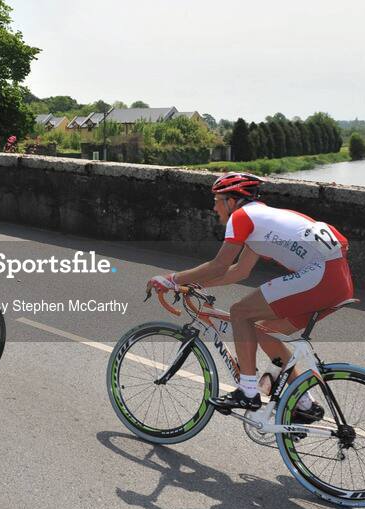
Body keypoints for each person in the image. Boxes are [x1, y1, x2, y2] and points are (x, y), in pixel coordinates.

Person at [147, 172, 353, 423]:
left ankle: (248, 391)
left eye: (217, 199)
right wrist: (193, 284)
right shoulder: (262, 219)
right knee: (259, 329)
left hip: (321, 275)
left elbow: (219, 265)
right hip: (338, 280)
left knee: (240, 312)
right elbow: (239, 271)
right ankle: (304, 402)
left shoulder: (242, 216)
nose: (214, 207)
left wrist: (172, 279)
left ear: (232, 201)